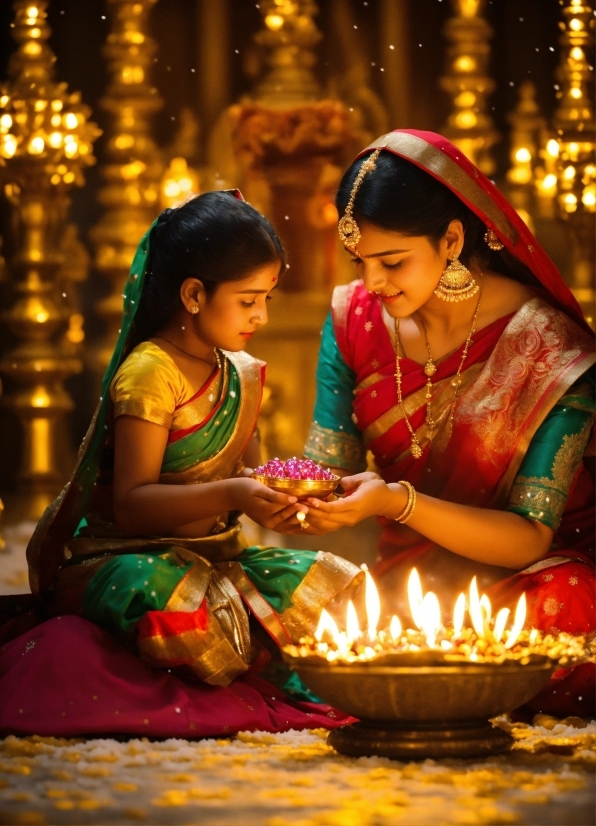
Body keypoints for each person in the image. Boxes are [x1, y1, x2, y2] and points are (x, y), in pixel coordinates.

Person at [0, 190, 362, 738]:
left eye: (266, 297)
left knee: (329, 586)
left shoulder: (240, 372)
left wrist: (287, 505)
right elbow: (133, 503)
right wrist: (235, 496)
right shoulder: (152, 372)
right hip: (128, 558)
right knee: (188, 611)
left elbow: (250, 478)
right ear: (193, 294)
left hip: (215, 557)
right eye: (248, 300)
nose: (261, 316)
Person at [294, 130, 595, 717]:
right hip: (402, 587)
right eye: (361, 261)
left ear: (452, 238)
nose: (373, 282)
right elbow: (328, 467)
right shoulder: (352, 318)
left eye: (392, 261)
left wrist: (397, 503)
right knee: (274, 596)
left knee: (568, 610)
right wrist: (282, 493)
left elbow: (530, 536)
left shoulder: (552, 351)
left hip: (526, 583)